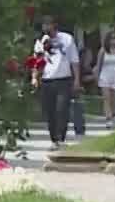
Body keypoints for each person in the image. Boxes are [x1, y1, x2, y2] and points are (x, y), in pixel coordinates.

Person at [31, 16, 81, 149]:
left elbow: (74, 60)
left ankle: (61, 138)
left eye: (49, 25)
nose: (46, 28)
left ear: (54, 25)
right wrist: (35, 77)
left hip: (63, 79)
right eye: (44, 25)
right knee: (50, 111)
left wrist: (77, 80)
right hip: (47, 80)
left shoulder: (66, 39)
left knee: (62, 109)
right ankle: (53, 139)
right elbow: (37, 62)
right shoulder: (40, 42)